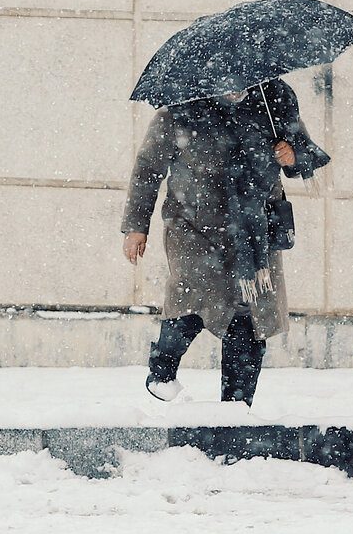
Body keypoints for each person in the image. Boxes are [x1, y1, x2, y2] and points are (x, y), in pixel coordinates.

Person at [121, 77, 328, 405]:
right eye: (227, 82)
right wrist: (136, 225)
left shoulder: (273, 97)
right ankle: (162, 371)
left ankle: (235, 410)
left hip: (255, 230)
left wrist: (293, 154)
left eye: (243, 81)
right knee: (192, 297)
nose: (236, 87)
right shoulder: (183, 106)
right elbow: (148, 168)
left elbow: (305, 151)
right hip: (193, 226)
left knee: (247, 316)